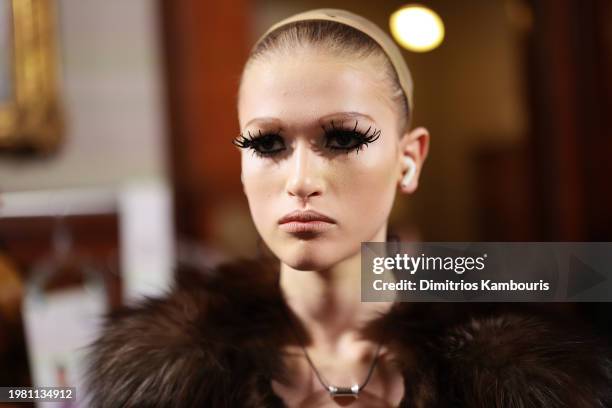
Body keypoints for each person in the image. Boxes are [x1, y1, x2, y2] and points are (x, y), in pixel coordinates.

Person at [85, 9, 612, 407]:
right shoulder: (165, 375)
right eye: (267, 144)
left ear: (408, 160)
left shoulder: (523, 376)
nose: (301, 181)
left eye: (341, 138)